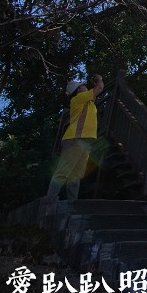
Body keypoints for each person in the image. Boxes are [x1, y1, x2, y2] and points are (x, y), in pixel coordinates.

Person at [46, 71, 104, 200]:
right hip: (76, 139)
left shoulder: (88, 102)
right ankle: (48, 201)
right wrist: (99, 78)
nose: (85, 86)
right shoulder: (78, 98)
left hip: (85, 141)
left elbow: (95, 94)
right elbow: (99, 88)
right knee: (64, 171)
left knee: (76, 175)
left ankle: (72, 203)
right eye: (82, 85)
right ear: (78, 90)